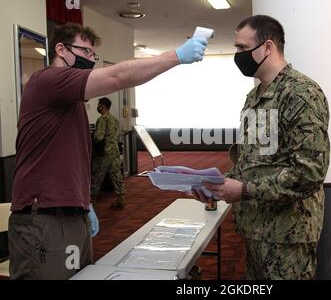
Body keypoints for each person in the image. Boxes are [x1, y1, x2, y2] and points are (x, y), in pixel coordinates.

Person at [9, 22, 207, 280]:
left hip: (70, 211)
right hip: (44, 215)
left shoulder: (73, 100)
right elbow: (118, 77)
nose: (90, 60)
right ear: (60, 49)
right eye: (85, 52)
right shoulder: (47, 80)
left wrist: (84, 201)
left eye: (93, 55)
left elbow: (70, 159)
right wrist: (176, 56)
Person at [192, 15, 330, 280]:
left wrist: (243, 190)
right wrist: (218, 185)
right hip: (255, 227)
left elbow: (309, 174)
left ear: (268, 47)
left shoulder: (301, 93)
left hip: (287, 233)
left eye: (243, 48)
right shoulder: (255, 97)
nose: (238, 56)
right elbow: (252, 161)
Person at [91, 97, 125, 209]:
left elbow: (99, 137)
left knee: (97, 175)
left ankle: (92, 199)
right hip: (114, 151)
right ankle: (120, 199)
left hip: (104, 152)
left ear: (103, 106)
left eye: (99, 105)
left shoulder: (102, 120)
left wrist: (93, 139)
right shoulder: (114, 119)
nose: (98, 107)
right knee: (116, 175)